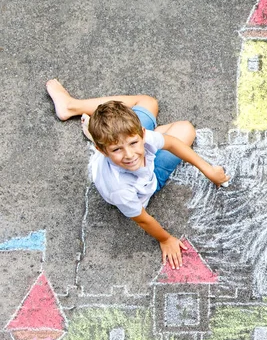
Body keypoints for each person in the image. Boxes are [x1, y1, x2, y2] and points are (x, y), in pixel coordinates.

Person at [46, 79, 229, 270]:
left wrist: (208, 170)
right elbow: (143, 219)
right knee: (185, 130)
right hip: (147, 183)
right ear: (101, 151)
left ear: (141, 134)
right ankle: (83, 121)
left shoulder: (137, 139)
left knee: (149, 103)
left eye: (134, 143)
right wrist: (165, 239)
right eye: (117, 149)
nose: (129, 155)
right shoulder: (120, 189)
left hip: (139, 154)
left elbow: (172, 144)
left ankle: (76, 112)